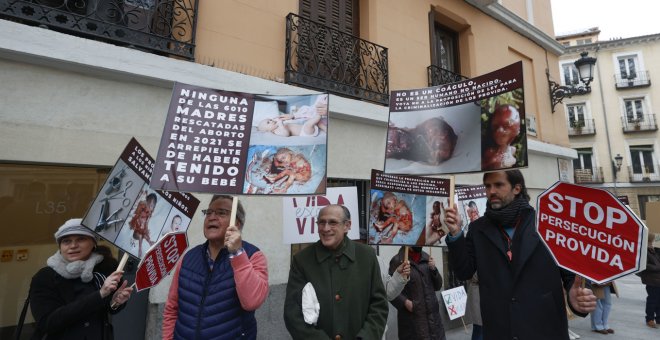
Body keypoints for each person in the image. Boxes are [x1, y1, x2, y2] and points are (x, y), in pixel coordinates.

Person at [443, 170, 597, 339]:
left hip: (544, 328)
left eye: (499, 185)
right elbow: (464, 271)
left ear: (517, 188)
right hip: (499, 329)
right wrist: (456, 234)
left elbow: (571, 275)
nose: (491, 191)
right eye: (487, 186)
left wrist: (576, 298)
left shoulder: (549, 223)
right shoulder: (477, 228)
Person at [162, 195, 269, 339]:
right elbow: (172, 308)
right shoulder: (189, 258)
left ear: (236, 224)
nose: (212, 217)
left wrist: (237, 254)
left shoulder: (253, 256)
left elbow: (252, 302)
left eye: (221, 212)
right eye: (209, 212)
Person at [284, 204, 389, 339]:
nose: (326, 228)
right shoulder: (302, 261)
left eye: (332, 222)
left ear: (347, 226)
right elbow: (293, 314)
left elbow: (379, 305)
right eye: (321, 222)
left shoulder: (367, 256)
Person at [29, 218, 133, 339]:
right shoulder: (45, 276)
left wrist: (115, 302)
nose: (73, 246)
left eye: (81, 239)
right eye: (66, 241)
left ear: (93, 243)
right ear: (60, 246)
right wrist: (100, 294)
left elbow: (108, 310)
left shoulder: (104, 269)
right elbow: (47, 323)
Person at [389, 246, 446, 339]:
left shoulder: (427, 258)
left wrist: (434, 270)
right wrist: (405, 302)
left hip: (434, 324)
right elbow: (390, 288)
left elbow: (438, 286)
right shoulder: (398, 260)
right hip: (413, 323)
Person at [481, 104, 521, 170]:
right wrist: (490, 162)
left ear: (518, 129)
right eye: (495, 127)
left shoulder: (512, 151)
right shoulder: (489, 152)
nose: (499, 131)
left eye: (506, 126)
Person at [639, 233, 660, 328]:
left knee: (658, 300)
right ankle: (650, 319)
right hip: (652, 280)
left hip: (657, 279)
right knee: (653, 300)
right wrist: (657, 267)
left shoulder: (653, 250)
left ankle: (658, 319)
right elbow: (644, 265)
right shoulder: (645, 250)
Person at [129, 191, 157, 257]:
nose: (150, 206)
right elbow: (136, 214)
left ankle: (148, 243)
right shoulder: (142, 206)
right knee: (142, 233)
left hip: (139, 225)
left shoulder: (149, 214)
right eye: (149, 204)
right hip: (137, 222)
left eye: (152, 206)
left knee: (143, 232)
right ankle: (147, 244)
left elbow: (146, 223)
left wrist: (146, 230)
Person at [257, 110, 324, 137]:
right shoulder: (276, 131)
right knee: (309, 124)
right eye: (268, 122)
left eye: (270, 120)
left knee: (310, 122)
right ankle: (319, 115)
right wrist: (280, 124)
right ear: (268, 131)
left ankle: (323, 127)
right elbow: (286, 134)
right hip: (304, 132)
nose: (271, 121)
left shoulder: (279, 125)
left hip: (304, 127)